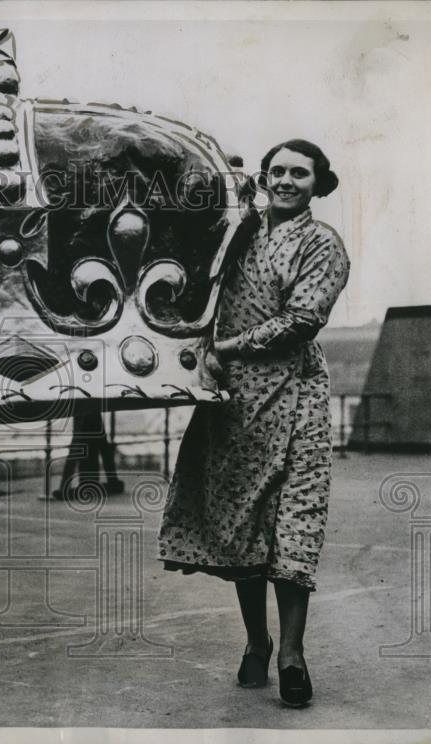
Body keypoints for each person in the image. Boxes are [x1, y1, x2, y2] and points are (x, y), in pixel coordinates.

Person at [157, 139, 349, 707]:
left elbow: (303, 319)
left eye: (299, 172)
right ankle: (256, 642)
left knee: (293, 523)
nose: (286, 180)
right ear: (264, 178)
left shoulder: (322, 243)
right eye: (277, 171)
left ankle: (292, 653)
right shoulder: (236, 233)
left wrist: (228, 346)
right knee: (242, 517)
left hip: (294, 396)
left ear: (318, 183)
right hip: (233, 399)